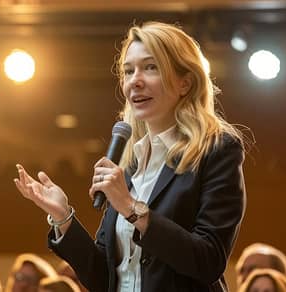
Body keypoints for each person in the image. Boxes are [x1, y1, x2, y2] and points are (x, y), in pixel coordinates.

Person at [14, 21, 248, 291]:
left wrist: (132, 208)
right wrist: (63, 217)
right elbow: (104, 278)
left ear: (185, 83)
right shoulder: (129, 162)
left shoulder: (217, 150)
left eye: (151, 67)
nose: (135, 81)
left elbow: (208, 260)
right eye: (128, 71)